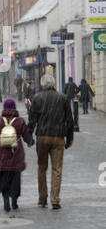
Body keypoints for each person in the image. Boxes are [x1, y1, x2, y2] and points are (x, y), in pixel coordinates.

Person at [28, 74, 74, 210]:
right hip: (58, 137)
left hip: (42, 137)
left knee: (42, 167)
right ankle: (55, 199)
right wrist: (69, 138)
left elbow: (32, 121)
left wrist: (29, 137)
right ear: (54, 83)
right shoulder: (63, 98)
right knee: (57, 169)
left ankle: (42, 198)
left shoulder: (37, 98)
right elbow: (70, 121)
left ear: (42, 85)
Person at [0, 99, 34, 212]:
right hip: (16, 153)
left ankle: (5, 199)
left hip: (2, 153)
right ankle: (14, 201)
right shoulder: (19, 121)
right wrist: (30, 141)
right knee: (15, 177)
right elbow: (26, 135)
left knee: (3, 176)